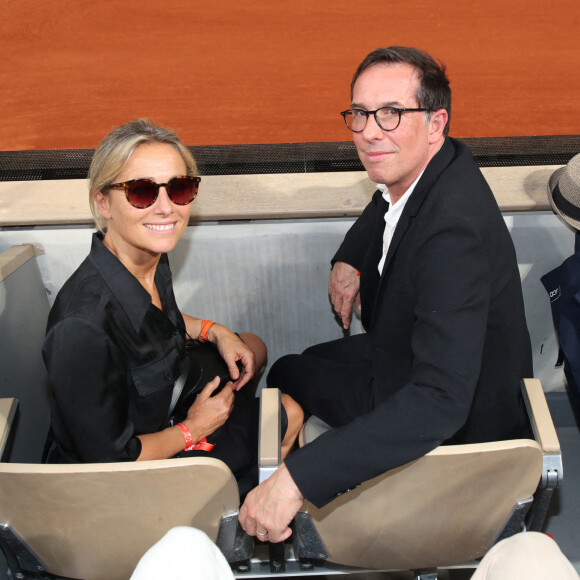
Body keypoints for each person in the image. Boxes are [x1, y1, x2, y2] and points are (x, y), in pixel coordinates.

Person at [239, 46, 533, 541]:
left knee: (288, 369)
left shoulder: (452, 237)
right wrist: (350, 255)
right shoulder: (444, 164)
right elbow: (387, 201)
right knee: (307, 358)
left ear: (436, 122)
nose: (370, 131)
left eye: (392, 114)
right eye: (359, 113)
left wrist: (298, 479)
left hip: (443, 417)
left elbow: (439, 400)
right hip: (408, 352)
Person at [42, 119, 302, 493]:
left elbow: (153, 318)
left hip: (169, 401)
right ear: (103, 202)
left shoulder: (145, 255)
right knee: (289, 412)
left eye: (179, 188)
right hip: (139, 473)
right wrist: (194, 429)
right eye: (142, 192)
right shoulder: (80, 329)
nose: (166, 209)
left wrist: (215, 331)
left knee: (252, 345)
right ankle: (249, 509)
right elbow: (112, 462)